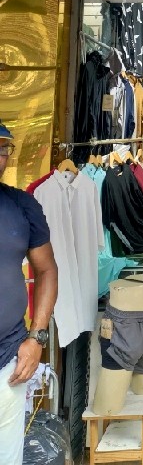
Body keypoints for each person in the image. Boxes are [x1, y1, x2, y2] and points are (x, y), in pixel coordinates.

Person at [0, 123, 58, 465]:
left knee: (7, 456)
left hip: (9, 358)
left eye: (3, 149)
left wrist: (37, 338)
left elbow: (47, 270)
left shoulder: (22, 206)